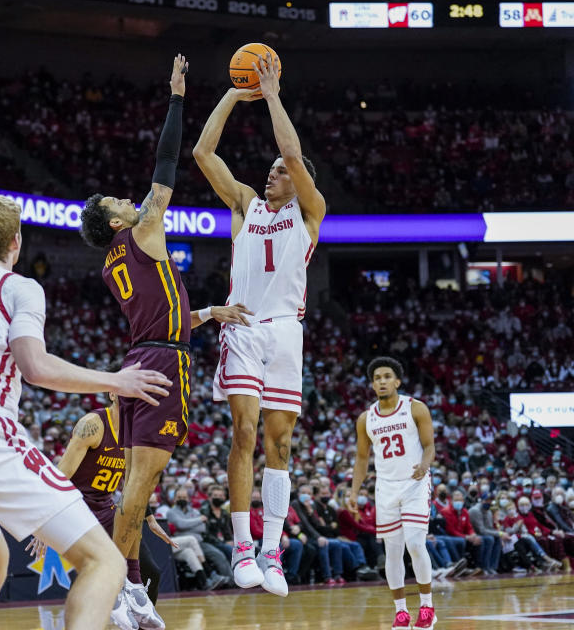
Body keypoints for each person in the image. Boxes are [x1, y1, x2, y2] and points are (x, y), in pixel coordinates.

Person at [0, 193, 172, 630]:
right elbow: (35, 368)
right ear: (16, 241)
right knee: (106, 563)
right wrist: (116, 380)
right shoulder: (18, 286)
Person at [79, 54, 251, 625]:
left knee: (139, 485)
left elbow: (164, 317)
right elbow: (168, 159)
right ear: (116, 223)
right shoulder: (144, 227)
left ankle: (126, 588)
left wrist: (209, 311)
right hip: (161, 367)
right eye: (117, 204)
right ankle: (124, 588)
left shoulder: (116, 262)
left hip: (145, 357)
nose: (129, 200)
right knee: (140, 485)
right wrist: (177, 97)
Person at [192, 50, 326, 596]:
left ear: (297, 181)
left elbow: (291, 151)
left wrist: (272, 95)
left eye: (279, 170)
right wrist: (234, 92)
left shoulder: (309, 211)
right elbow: (203, 152)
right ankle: (243, 545)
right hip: (245, 326)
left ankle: (273, 549)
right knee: (243, 431)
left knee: (281, 444)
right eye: (270, 169)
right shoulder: (245, 205)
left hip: (286, 332)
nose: (271, 172)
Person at [25, 385, 175, 628]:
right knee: (98, 573)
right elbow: (61, 474)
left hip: (105, 508)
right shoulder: (92, 425)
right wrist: (46, 520)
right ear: (113, 393)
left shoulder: (137, 432)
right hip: (75, 508)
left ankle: (138, 615)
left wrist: (147, 517)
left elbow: (133, 482)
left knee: (151, 572)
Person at [348, 357, 437, 630]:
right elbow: (362, 459)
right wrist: (354, 492)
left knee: (415, 543)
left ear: (397, 381)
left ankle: (427, 607)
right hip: (385, 488)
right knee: (393, 552)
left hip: (414, 484)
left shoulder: (415, 408)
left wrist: (424, 465)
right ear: (373, 385)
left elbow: (429, 445)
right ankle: (400, 612)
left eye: (387, 376)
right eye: (377, 378)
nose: (382, 381)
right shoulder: (366, 418)